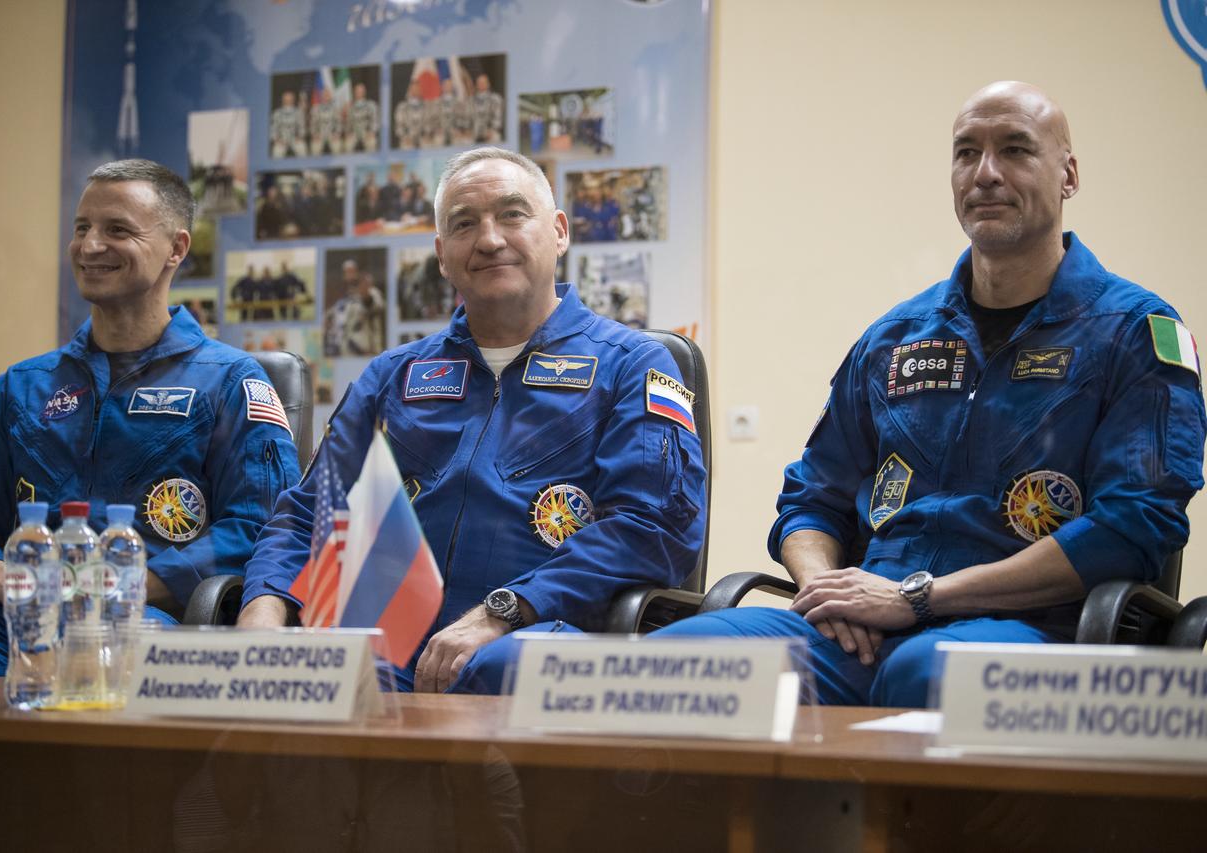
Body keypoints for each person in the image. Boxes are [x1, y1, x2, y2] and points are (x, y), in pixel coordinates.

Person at [655, 81, 1207, 707]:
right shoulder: (894, 337)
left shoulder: (1134, 332)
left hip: (1025, 631)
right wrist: (828, 592)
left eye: (1016, 151)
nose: (986, 173)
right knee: (677, 661)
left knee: (925, 673)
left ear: (1069, 175)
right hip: (857, 630)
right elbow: (811, 500)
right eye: (966, 152)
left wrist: (917, 597)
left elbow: (1135, 525)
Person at [238, 147, 706, 695]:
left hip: (538, 641)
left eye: (512, 214)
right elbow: (305, 517)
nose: (489, 239)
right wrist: (261, 623)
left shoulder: (632, 364)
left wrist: (505, 610)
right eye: (464, 224)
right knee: (304, 685)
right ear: (442, 254)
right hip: (387, 647)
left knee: (496, 669)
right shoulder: (393, 375)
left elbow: (656, 527)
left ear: (558, 232)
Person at [0, 159, 301, 673]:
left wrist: (123, 584)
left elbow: (261, 529)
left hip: (142, 623)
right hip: (18, 620)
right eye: (82, 228)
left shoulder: (231, 381)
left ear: (177, 248)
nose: (90, 245)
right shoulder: (23, 386)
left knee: (115, 660)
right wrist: (1, 578)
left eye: (117, 229)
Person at [269, 90, 308, 159]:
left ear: (293, 100)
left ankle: (306, 169)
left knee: (302, 148)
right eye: (286, 99)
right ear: (283, 100)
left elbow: (302, 127)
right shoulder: (277, 113)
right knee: (277, 151)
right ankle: (278, 169)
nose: (288, 101)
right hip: (281, 140)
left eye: (290, 99)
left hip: (295, 139)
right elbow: (273, 128)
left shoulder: (298, 112)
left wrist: (300, 136)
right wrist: (276, 139)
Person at [345, 81, 379, 153]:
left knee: (371, 142)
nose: (359, 93)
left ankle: (369, 163)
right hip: (354, 132)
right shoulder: (351, 107)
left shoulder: (371, 105)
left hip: (367, 131)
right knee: (347, 144)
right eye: (357, 91)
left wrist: (372, 131)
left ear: (364, 92)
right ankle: (351, 164)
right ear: (354, 92)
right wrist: (348, 132)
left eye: (360, 91)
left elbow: (374, 119)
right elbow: (348, 123)